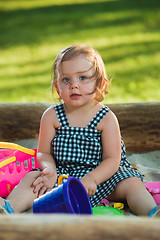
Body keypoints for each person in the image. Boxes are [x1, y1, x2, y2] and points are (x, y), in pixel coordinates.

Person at [0, 44, 159, 217]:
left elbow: (112, 159)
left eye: (83, 78)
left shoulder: (106, 118)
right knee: (33, 180)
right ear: (56, 85)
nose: (74, 85)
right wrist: (50, 170)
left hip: (103, 177)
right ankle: (9, 209)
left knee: (132, 183)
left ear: (100, 83)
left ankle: (151, 212)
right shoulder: (52, 116)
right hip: (63, 176)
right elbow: (44, 152)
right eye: (66, 79)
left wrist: (92, 179)